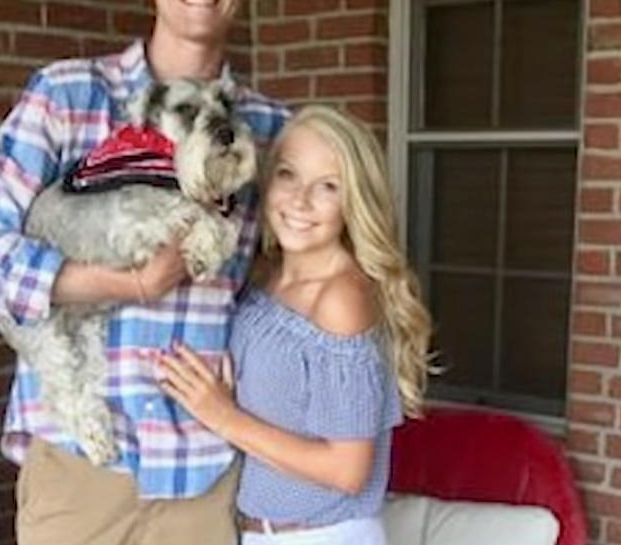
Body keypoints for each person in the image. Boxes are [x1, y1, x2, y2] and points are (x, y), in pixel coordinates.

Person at [0, 0, 287, 545]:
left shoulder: (268, 130)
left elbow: (285, 290)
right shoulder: (68, 96)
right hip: (79, 468)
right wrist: (120, 284)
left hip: (206, 470)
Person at [158, 105, 433, 545]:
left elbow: (347, 470)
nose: (301, 200)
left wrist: (223, 415)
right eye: (288, 175)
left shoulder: (341, 299)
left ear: (355, 200)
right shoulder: (265, 275)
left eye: (328, 186)